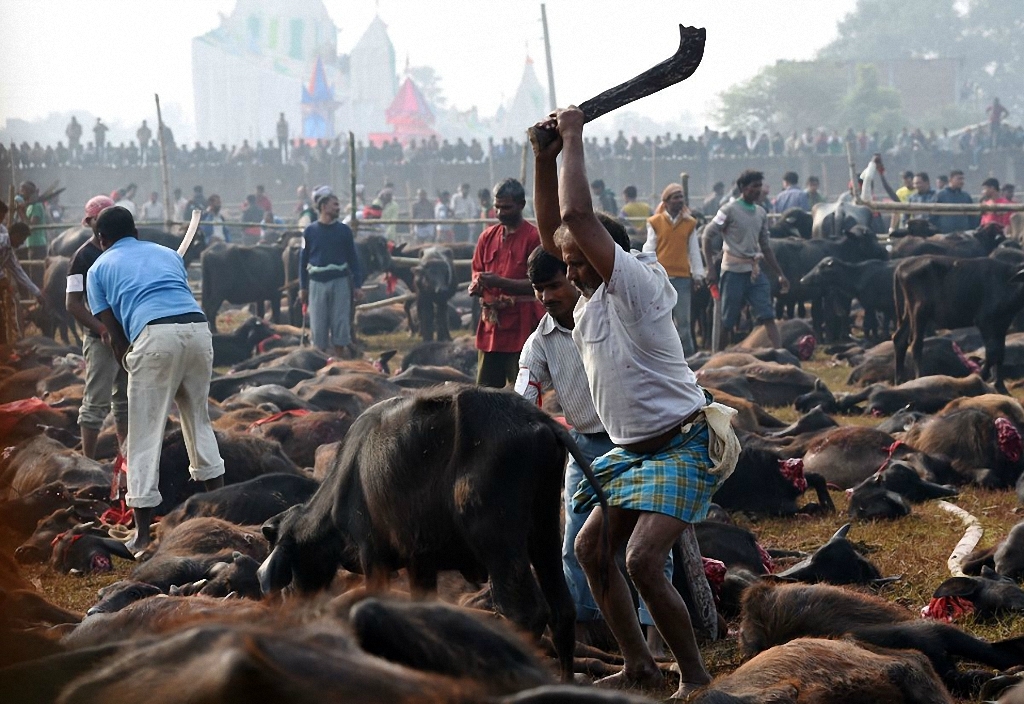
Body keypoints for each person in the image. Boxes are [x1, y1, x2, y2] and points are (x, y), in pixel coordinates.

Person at [531, 107, 738, 699]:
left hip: (682, 445)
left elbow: (574, 217)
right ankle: (640, 667)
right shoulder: (589, 295)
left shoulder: (637, 287)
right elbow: (557, 231)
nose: (567, 272)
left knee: (645, 559)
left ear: (607, 255)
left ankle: (695, 678)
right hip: (629, 454)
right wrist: (544, 159)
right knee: (592, 549)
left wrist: (572, 137)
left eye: (576, 263)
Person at [86, 206, 224, 553]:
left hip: (154, 337)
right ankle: (222, 514)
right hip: (197, 331)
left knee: (145, 434)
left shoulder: (98, 267)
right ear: (135, 230)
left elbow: (115, 335)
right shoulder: (166, 254)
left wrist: (129, 362)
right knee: (199, 423)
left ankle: (143, 535)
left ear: (101, 238)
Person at [65, 196, 128, 459]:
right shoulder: (83, 257)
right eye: (97, 219)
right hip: (101, 339)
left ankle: (126, 456)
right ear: (90, 222)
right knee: (95, 403)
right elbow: (73, 303)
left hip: (126, 335)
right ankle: (88, 461)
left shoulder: (123, 251)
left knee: (125, 402)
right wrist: (101, 328)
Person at [469, 178, 544, 388]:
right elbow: (477, 269)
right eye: (497, 207)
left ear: (521, 205)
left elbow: (539, 283)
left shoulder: (534, 238)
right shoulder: (487, 237)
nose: (500, 212)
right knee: (485, 390)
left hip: (522, 323)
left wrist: (501, 282)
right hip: (491, 324)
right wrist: (477, 284)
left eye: (506, 207)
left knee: (523, 389)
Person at [702, 170, 789, 348]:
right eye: (753, 186)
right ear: (742, 188)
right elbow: (706, 236)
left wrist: (780, 273)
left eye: (759, 186)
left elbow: (765, 246)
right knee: (728, 319)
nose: (757, 190)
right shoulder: (728, 210)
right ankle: (719, 356)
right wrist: (710, 268)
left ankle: (781, 355)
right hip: (733, 271)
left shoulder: (761, 213)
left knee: (767, 314)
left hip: (754, 272)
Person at [298, 191, 364, 357]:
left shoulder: (344, 231)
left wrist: (357, 285)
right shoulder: (309, 232)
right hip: (316, 282)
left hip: (339, 280)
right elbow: (303, 259)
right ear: (323, 206)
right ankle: (320, 358)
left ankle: (339, 358)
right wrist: (302, 286)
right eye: (334, 204)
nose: (338, 208)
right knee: (318, 323)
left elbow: (353, 259)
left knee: (340, 321)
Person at [643, 184, 705, 356]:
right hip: (661, 278)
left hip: (683, 278)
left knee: (684, 322)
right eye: (675, 197)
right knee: (663, 321)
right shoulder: (655, 222)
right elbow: (649, 249)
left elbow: (694, 251)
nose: (679, 201)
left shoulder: (690, 224)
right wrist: (647, 271)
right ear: (666, 202)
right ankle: (664, 356)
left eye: (681, 197)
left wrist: (698, 274)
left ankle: (688, 358)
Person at [0, 201, 44, 345]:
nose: (22, 243)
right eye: (22, 239)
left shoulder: (7, 250)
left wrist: (37, 293)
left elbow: (19, 272)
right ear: (15, 235)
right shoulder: (1, 243)